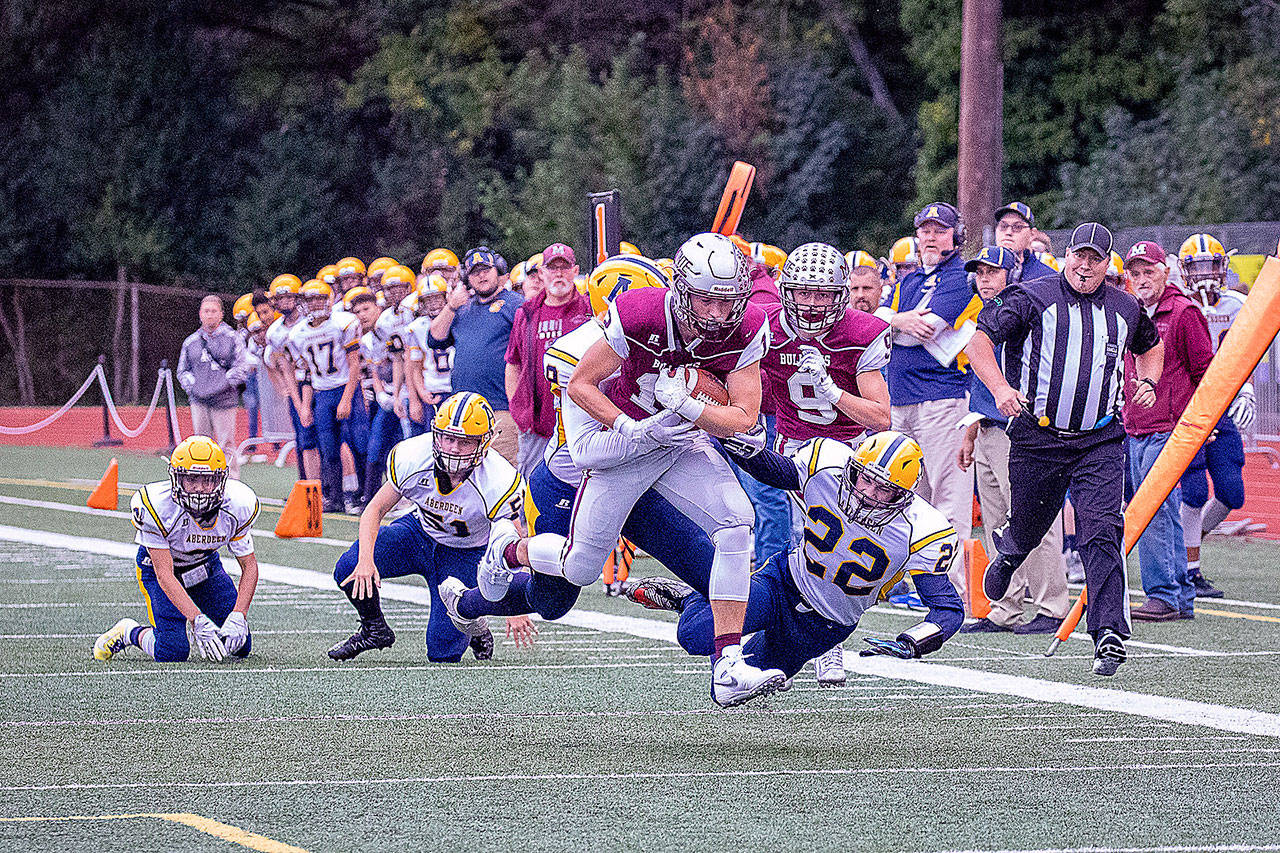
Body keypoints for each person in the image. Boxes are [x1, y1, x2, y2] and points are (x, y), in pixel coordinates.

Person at [474, 233, 785, 707]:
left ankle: (727, 665)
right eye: (708, 300)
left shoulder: (745, 327)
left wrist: (689, 408)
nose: (720, 315)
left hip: (678, 440)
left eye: (728, 302)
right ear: (679, 290)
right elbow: (581, 408)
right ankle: (509, 551)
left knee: (738, 521)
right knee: (578, 569)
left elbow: (742, 417)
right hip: (615, 447)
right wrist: (632, 429)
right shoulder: (630, 319)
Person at [437, 291, 719, 651]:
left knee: (715, 575)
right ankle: (502, 560)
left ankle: (730, 662)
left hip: (638, 481)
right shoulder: (578, 350)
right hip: (572, 483)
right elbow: (592, 452)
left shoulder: (667, 344)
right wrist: (646, 432)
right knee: (552, 601)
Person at [964, 222, 1164, 676]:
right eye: (1079, 256)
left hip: (1100, 437)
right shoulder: (1032, 296)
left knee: (1101, 529)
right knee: (1031, 528)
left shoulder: (1126, 307)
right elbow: (978, 341)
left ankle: (1108, 633)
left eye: (1096, 259)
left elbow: (1151, 347)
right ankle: (1010, 553)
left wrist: (1148, 380)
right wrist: (998, 389)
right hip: (1039, 437)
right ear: (1066, 256)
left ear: (1107, 265)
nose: (1086, 266)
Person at [623, 431, 964, 690]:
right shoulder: (829, 464)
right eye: (865, 479)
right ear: (853, 467)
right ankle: (704, 591)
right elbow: (773, 471)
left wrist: (912, 642)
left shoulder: (922, 529)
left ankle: (700, 593)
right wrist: (736, 438)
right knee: (694, 636)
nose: (867, 493)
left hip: (823, 626)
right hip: (783, 583)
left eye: (883, 490)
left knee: (736, 686)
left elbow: (947, 608)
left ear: (904, 495)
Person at [762, 242, 892, 684]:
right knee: (791, 538)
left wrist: (833, 390)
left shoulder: (862, 331)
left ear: (839, 295)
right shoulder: (765, 327)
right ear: (787, 293)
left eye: (823, 294)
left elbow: (881, 416)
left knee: (831, 546)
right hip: (793, 444)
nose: (813, 304)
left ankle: (827, 644)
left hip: (851, 450)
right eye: (804, 293)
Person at [327, 392, 524, 662]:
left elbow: (512, 543)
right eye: (449, 438)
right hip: (418, 534)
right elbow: (375, 509)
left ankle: (476, 626)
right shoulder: (414, 456)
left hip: (464, 552)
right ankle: (374, 628)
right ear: (436, 433)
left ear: (484, 442)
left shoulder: (498, 479)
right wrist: (365, 562)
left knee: (444, 652)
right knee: (349, 568)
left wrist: (515, 605)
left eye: (465, 442)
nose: (453, 448)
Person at [956, 246, 1068, 635]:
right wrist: (971, 430)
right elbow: (979, 380)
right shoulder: (981, 314)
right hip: (987, 425)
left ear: (1013, 272)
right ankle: (1005, 605)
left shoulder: (1024, 311)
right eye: (980, 272)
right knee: (994, 522)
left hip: (1019, 429)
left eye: (993, 272)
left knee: (1034, 516)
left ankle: (1052, 605)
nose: (985, 279)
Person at [93, 436, 260, 663]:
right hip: (160, 571)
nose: (199, 488)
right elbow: (164, 573)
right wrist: (197, 619)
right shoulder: (156, 506)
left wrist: (239, 615)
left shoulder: (238, 504)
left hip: (204, 568)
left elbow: (249, 566)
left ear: (221, 480)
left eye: (208, 480)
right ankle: (129, 632)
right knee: (172, 651)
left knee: (239, 646)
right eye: (191, 478)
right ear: (176, 477)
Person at [879, 202, 981, 547]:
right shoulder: (908, 280)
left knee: (947, 500)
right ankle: (915, 582)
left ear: (956, 236)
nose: (931, 238)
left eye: (940, 231)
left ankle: (950, 591)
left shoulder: (962, 276)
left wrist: (895, 322)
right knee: (905, 498)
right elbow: (876, 325)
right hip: (901, 398)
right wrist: (898, 320)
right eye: (926, 231)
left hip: (943, 398)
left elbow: (925, 329)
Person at [1123, 240, 1214, 622]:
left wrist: (1206, 422)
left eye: (1149, 271)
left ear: (1165, 271)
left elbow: (1207, 372)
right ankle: (1178, 596)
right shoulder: (1131, 312)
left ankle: (1163, 593)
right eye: (1136, 272)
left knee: (1155, 510)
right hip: (1138, 425)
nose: (1142, 278)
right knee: (1160, 510)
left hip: (1168, 426)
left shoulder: (1182, 313)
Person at [1178, 233, 1253, 598]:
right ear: (1183, 271)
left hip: (1222, 407)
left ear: (1224, 268)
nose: (1206, 274)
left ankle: (1187, 546)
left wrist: (1247, 390)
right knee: (1192, 490)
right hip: (1188, 408)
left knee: (1231, 492)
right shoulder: (1175, 306)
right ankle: (1190, 568)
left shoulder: (1238, 304)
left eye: (1212, 265)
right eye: (1198, 266)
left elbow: (1247, 354)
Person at [428, 247, 524, 463]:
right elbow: (435, 338)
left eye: (486, 269)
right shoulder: (461, 308)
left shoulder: (515, 304)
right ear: (467, 279)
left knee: (502, 471)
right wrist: (451, 306)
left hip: (501, 406)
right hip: (463, 409)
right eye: (475, 272)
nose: (481, 275)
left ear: (497, 271)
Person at [505, 243, 593, 477]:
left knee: (580, 485)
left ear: (575, 271)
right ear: (542, 273)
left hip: (582, 420)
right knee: (532, 486)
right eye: (552, 269)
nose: (559, 274)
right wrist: (517, 407)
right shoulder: (526, 313)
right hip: (537, 424)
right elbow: (513, 363)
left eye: (564, 268)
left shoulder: (589, 309)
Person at [287, 279, 369, 513]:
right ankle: (335, 498)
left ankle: (363, 494)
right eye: (310, 299)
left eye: (319, 299)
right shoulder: (298, 334)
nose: (315, 304)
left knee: (359, 444)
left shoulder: (343, 323)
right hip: (322, 394)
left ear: (329, 300)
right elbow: (305, 375)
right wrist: (304, 405)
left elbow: (355, 365)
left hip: (346, 389)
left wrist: (346, 397)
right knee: (328, 449)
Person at [177, 295, 249, 479]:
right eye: (206, 311)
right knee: (201, 444)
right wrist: (194, 388)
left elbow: (242, 366)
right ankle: (203, 481)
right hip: (199, 401)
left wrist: (222, 384)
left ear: (221, 314)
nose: (209, 315)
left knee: (226, 443)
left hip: (224, 400)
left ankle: (231, 481)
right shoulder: (191, 342)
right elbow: (183, 370)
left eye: (213, 311)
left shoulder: (232, 338)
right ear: (200, 314)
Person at [264, 274, 321, 482]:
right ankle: (310, 486)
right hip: (297, 386)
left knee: (327, 438)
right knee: (305, 439)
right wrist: (290, 394)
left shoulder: (311, 322)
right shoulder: (274, 332)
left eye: (289, 296)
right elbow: (281, 366)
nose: (285, 301)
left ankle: (336, 487)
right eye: (280, 298)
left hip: (320, 383)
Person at [992, 201, 1057, 284]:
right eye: (1003, 226)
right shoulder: (977, 275)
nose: (1008, 232)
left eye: (1017, 227)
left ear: (1032, 234)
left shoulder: (1046, 279)